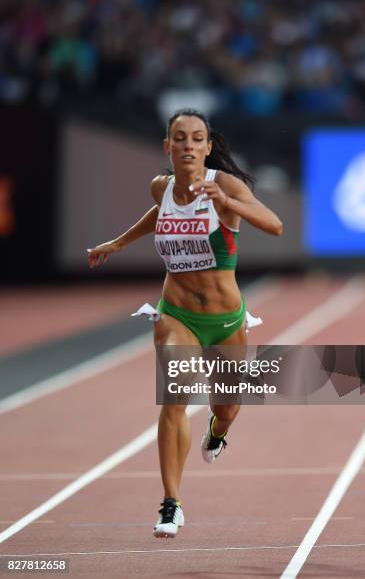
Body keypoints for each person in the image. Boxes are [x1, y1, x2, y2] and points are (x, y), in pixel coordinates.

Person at [87, 108, 283, 538]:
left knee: (227, 407)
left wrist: (229, 204)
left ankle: (217, 432)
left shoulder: (223, 185)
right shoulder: (162, 187)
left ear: (208, 147)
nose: (188, 145)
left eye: (197, 138)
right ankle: (171, 503)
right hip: (176, 314)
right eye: (180, 138)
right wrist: (118, 242)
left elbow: (275, 225)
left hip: (226, 319)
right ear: (167, 146)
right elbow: (159, 214)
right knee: (174, 399)